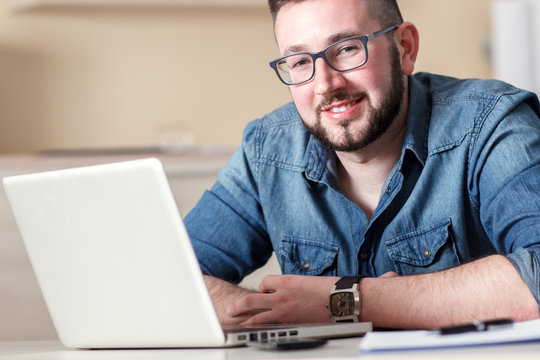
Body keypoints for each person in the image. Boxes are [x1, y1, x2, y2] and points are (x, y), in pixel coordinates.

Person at [184, 0, 540, 329]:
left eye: (348, 49)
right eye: (300, 61)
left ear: (405, 48)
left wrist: (342, 302)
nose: (325, 84)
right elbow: (168, 280)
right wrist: (284, 310)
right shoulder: (267, 152)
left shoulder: (492, 123)